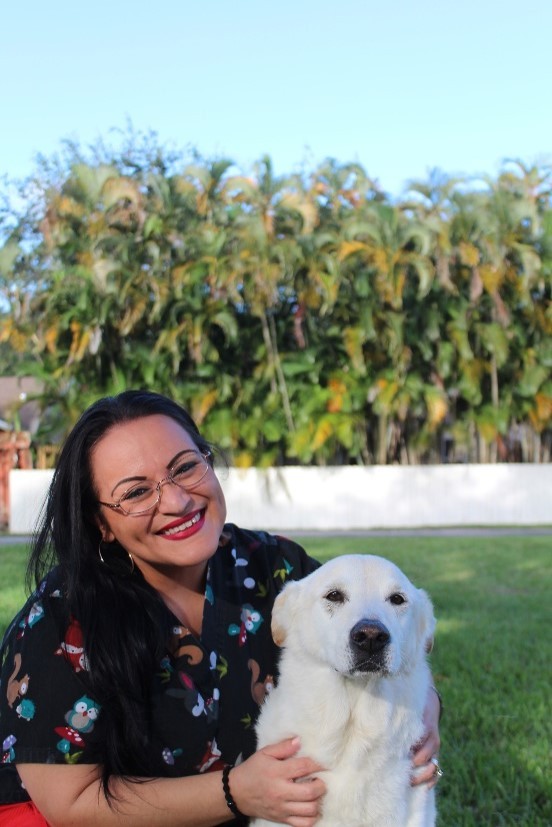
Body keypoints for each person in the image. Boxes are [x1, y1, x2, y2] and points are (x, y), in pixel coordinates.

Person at [0, 390, 442, 826]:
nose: (176, 502)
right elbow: (71, 804)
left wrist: (424, 712)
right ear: (102, 523)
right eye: (136, 493)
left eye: (185, 467)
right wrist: (236, 792)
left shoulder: (273, 567)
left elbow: (370, 635)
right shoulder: (60, 621)